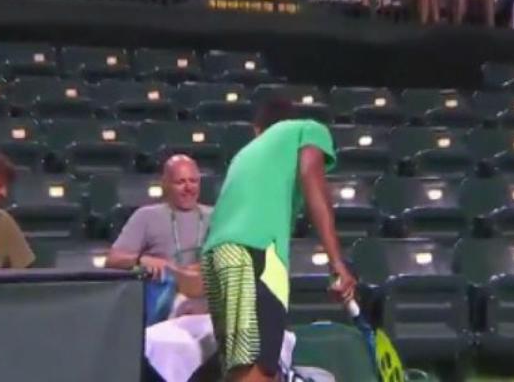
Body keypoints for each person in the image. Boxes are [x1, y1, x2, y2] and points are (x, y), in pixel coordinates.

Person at [201, 98, 356, 382]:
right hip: (254, 253)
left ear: (258, 129)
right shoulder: (307, 128)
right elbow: (313, 181)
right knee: (258, 371)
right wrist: (338, 263)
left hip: (217, 257)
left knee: (240, 369)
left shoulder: (244, 154)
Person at [107, 155, 211, 317]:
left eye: (193, 181)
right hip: (163, 301)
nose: (188, 187)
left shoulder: (216, 216)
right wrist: (141, 260)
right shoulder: (146, 216)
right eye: (180, 182)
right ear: (165, 184)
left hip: (208, 300)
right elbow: (113, 259)